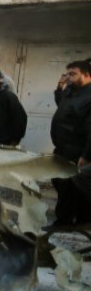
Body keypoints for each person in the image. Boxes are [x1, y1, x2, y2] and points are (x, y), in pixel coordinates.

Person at [50, 60, 91, 225]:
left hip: (77, 150)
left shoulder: (89, 97)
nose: (68, 77)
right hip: (62, 148)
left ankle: (66, 221)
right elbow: (61, 105)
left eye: (73, 74)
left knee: (70, 186)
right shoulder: (70, 91)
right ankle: (72, 218)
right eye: (67, 74)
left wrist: (87, 155)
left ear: (86, 75)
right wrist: (59, 87)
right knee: (59, 182)